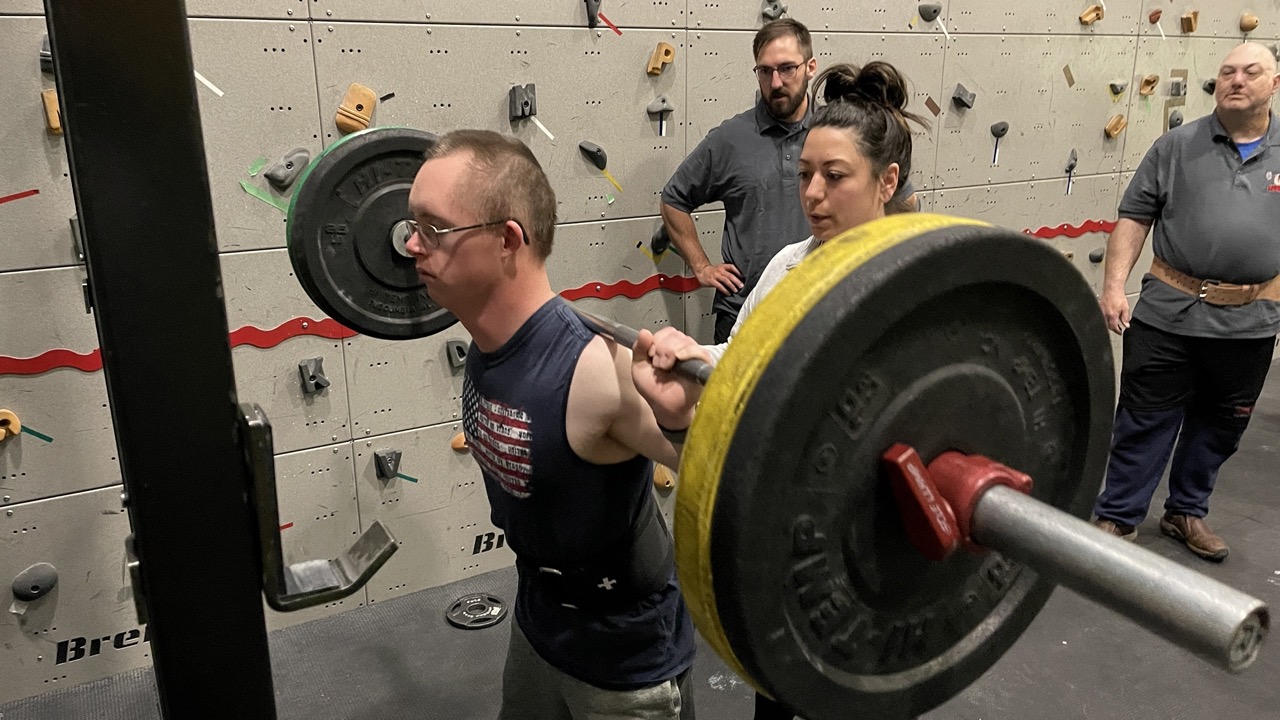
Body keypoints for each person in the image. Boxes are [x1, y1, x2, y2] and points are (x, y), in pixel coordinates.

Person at [644, 60, 927, 720]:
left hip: (875, 539)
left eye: (835, 176)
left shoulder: (915, 280)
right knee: (779, 684)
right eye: (804, 175)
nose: (813, 194)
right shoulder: (788, 265)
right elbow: (742, 358)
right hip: (790, 524)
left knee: (858, 690)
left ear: (887, 181)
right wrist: (694, 355)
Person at [404, 129, 707, 720]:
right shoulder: (489, 344)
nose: (412, 244)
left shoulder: (595, 370)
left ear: (506, 240)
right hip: (538, 627)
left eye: (433, 228)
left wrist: (681, 420)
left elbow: (732, 475)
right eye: (412, 224)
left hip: (622, 666)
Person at [1091, 41, 1280, 562]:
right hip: (1168, 313)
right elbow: (1134, 218)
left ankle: (1186, 511)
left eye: (1251, 72)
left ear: (1274, 83)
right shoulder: (1176, 146)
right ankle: (1118, 515)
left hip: (1250, 321)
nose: (1236, 80)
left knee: (1221, 424)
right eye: (1227, 71)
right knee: (1143, 417)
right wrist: (1113, 287)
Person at [659, 18, 918, 344]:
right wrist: (702, 266)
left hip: (826, 304)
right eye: (765, 71)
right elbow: (674, 198)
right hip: (747, 307)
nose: (776, 81)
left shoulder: (837, 134)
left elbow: (905, 202)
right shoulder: (730, 140)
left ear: (810, 67)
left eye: (786, 68)